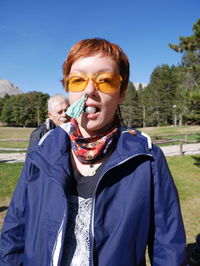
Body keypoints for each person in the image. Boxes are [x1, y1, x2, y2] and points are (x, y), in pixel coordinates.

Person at [0, 38, 187, 265]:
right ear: (68, 88)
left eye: (105, 81)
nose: (90, 90)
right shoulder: (42, 151)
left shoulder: (147, 159)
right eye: (78, 80)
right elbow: (15, 233)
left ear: (121, 92)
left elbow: (168, 251)